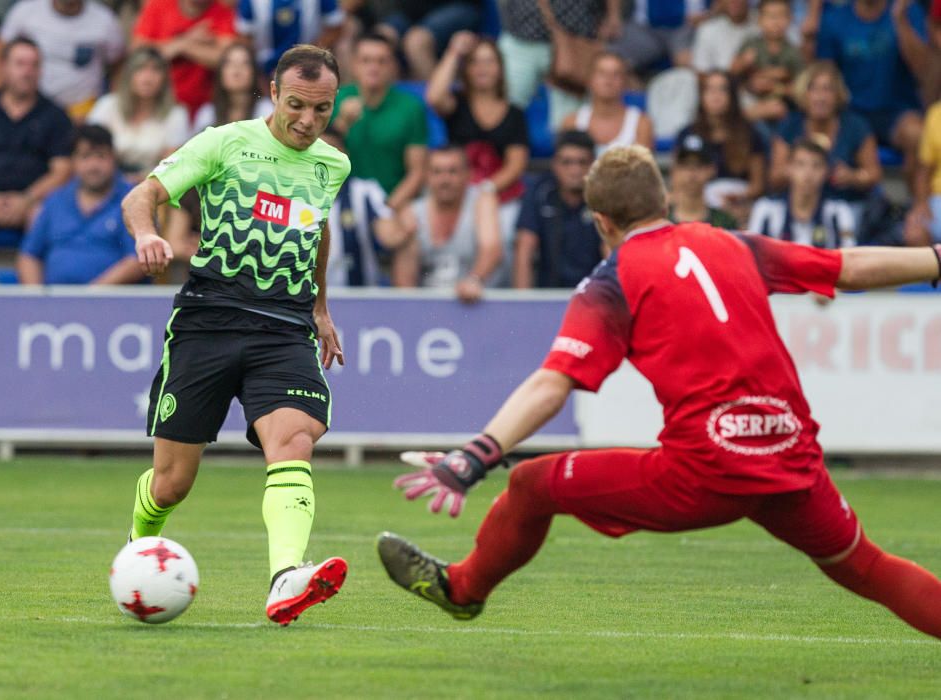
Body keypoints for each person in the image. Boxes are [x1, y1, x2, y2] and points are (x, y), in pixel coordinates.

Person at [377, 144, 941, 643]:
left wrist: (476, 455)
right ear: (664, 199)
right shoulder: (733, 243)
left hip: (703, 475)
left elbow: (553, 383)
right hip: (789, 457)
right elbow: (849, 266)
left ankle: (462, 589)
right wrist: (934, 258)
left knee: (530, 483)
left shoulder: (611, 281)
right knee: (866, 565)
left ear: (600, 220)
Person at [120, 45, 351, 626]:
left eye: (321, 110)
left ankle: (284, 578)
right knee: (172, 484)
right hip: (208, 321)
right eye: (296, 105)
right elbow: (141, 194)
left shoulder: (332, 165)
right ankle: (139, 542)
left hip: (284, 328)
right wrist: (149, 234)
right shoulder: (224, 142)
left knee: (294, 439)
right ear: (272, 92)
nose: (306, 121)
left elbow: (316, 228)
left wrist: (321, 307)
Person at [805, 0, 928, 189]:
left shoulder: (907, 11)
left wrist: (900, 21)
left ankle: (914, 206)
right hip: (850, 112)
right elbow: (824, 75)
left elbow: (923, 70)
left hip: (896, 112)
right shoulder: (835, 19)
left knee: (917, 135)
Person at [426, 32, 529, 255]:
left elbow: (516, 164)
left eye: (489, 61)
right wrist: (454, 52)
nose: (482, 68)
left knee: (507, 234)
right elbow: (434, 97)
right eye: (475, 62)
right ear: (466, 70)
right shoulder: (457, 105)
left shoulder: (515, 114)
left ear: (500, 68)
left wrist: (485, 190)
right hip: (455, 196)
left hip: (502, 199)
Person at [17, 125, 143, 285]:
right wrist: (37, 299)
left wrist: (89, 297)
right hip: (55, 303)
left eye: (101, 156)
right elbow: (29, 256)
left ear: (114, 158)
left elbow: (138, 260)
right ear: (73, 161)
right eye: (85, 157)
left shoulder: (134, 200)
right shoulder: (55, 200)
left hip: (112, 304)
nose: (93, 165)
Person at [392, 145, 503, 302]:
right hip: (428, 308)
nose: (445, 180)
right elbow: (404, 284)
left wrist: (474, 280)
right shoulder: (413, 212)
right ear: (426, 176)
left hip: (476, 302)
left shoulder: (482, 200)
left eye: (453, 171)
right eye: (437, 172)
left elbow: (491, 249)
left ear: (468, 174)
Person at [0, 37, 72, 246]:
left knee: (45, 214)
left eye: (34, 65)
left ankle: (36, 278)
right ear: (4, 67)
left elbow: (61, 172)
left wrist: (26, 200)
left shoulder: (55, 115)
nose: (27, 72)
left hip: (35, 202)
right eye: (20, 64)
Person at [331, 33, 427, 210]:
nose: (374, 67)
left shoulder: (410, 107)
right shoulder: (335, 101)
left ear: (393, 67)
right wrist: (342, 124)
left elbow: (417, 172)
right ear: (354, 65)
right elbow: (320, 164)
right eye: (366, 60)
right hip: (341, 204)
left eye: (382, 61)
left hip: (394, 204)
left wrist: (387, 210)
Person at [497, 0, 621, 130]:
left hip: (576, 40)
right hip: (522, 35)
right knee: (504, 111)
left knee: (570, 126)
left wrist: (613, 15)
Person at [769, 61, 881, 205]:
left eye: (827, 89)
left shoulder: (856, 126)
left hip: (844, 205)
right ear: (804, 94)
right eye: (814, 89)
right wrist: (799, 171)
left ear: (838, 94)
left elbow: (874, 174)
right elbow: (774, 178)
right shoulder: (790, 125)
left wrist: (851, 177)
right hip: (796, 208)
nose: (820, 97)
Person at [0, 0, 125, 120]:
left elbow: (119, 64)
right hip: (29, 111)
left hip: (82, 113)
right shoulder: (26, 11)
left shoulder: (105, 20)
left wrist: (109, 107)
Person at [512, 130, 605, 289]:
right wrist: (522, 303)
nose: (575, 171)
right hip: (547, 297)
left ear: (593, 165)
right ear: (554, 164)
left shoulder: (605, 197)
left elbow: (610, 253)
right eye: (567, 162)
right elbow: (524, 248)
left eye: (582, 162)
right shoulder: (539, 192)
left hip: (593, 298)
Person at [322, 127, 411, 286]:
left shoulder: (365, 192)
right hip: (308, 305)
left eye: (332, 151)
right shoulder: (292, 197)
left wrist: (403, 224)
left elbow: (389, 236)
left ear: (345, 156)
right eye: (318, 151)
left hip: (359, 302)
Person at [87, 47, 191, 179]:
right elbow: (90, 150)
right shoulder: (107, 105)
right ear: (128, 75)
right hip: (105, 181)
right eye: (140, 69)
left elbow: (171, 165)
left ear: (165, 78)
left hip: (153, 184)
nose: (147, 77)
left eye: (156, 70)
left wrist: (141, 180)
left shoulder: (176, 114)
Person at [677, 71, 766, 219]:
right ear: (701, 96)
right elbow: (677, 179)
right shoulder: (687, 134)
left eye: (722, 89)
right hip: (697, 204)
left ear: (732, 96)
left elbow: (758, 185)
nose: (716, 96)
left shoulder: (750, 133)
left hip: (738, 205)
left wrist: (736, 196)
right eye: (710, 89)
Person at [131, 0, 236, 117]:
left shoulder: (222, 12)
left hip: (205, 109)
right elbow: (139, 53)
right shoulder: (158, 5)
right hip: (159, 104)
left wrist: (184, 46)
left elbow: (228, 59)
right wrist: (185, 41)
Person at [749, 138, 855, 249]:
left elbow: (849, 254)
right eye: (800, 164)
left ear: (826, 171)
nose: (808, 174)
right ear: (789, 168)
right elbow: (751, 253)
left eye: (816, 166)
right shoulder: (766, 208)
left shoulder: (839, 211)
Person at [560, 52, 654, 157]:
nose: (608, 80)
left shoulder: (641, 124)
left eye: (616, 74)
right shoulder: (571, 122)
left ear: (626, 81)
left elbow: (642, 169)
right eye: (602, 73)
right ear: (589, 79)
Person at [731, 0, 803, 127]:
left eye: (781, 16)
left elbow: (801, 88)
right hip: (751, 103)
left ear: (790, 19)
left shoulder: (793, 52)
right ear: (759, 20)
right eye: (771, 16)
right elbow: (731, 72)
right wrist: (743, 63)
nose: (776, 22)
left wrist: (776, 88)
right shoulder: (751, 44)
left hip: (783, 107)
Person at [375, 0, 483, 81]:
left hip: (458, 5)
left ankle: (434, 104)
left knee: (416, 42)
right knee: (380, 36)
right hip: (415, 10)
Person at [236, 0, 344, 77]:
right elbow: (244, 37)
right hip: (265, 68)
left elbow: (335, 27)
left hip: (309, 63)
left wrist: (311, 54)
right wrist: (259, 72)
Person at [191, 42, 272, 134]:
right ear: (220, 72)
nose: (236, 71)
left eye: (244, 64)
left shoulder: (266, 110)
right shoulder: (208, 113)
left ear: (254, 72)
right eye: (229, 64)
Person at [668, 133, 738, 229]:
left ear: (711, 169)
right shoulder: (661, 223)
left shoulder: (724, 222)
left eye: (698, 166)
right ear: (674, 170)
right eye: (685, 166)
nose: (691, 173)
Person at [907, 98, 941, 245]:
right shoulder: (936, 113)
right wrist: (920, 204)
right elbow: (923, 170)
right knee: (914, 234)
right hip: (938, 198)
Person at [691, 0, 756, 74]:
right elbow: (700, 72)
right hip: (720, 82)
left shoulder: (762, 26)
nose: (735, 1)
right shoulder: (707, 30)